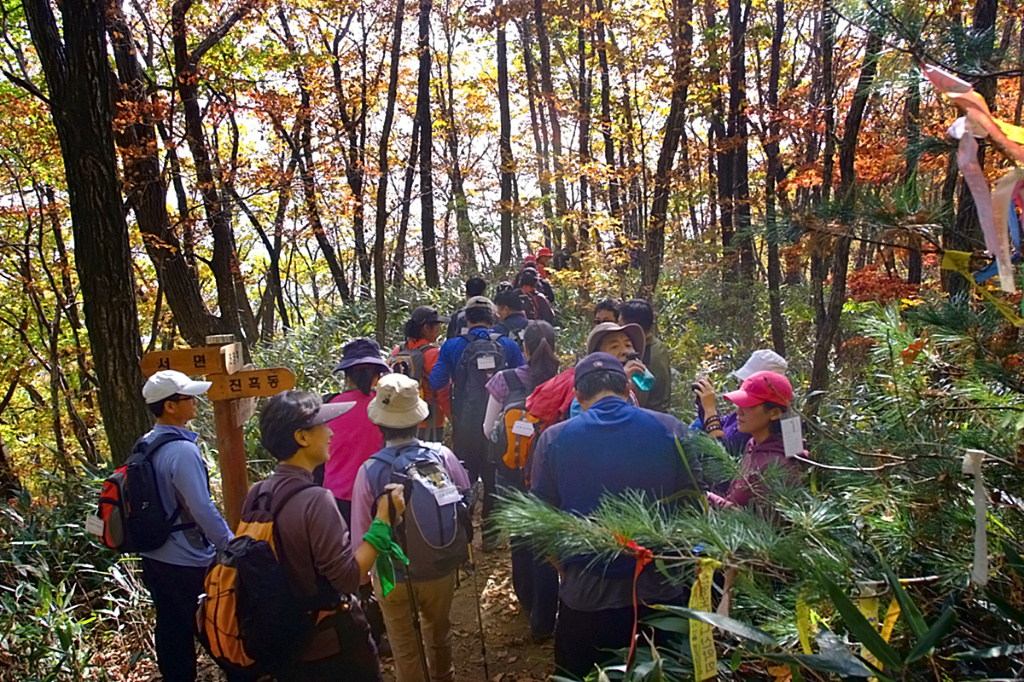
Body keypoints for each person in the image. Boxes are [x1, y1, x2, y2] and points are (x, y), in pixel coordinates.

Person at [530, 353, 705, 678]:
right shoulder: (672, 429)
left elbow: (540, 524)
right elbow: (696, 508)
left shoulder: (553, 439)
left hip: (586, 595)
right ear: (627, 387)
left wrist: (565, 569)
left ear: (578, 396)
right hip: (659, 591)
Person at [251, 390, 407, 681]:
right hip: (329, 644)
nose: (330, 432)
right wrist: (383, 518)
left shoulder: (257, 493)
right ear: (302, 438)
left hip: (283, 638)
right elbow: (348, 577)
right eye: (322, 425)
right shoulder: (316, 500)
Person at [351, 374, 472, 682]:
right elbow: (465, 492)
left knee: (404, 645)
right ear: (418, 419)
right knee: (439, 632)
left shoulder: (369, 471)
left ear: (380, 424)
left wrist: (365, 579)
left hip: (392, 574)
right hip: (438, 564)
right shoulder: (441, 456)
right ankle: (444, 676)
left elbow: (362, 531)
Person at [139, 370, 234, 682]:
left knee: (170, 625)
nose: (195, 401)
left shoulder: (146, 444)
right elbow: (201, 507)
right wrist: (229, 545)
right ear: (169, 406)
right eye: (187, 397)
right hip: (187, 558)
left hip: (154, 554)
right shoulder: (182, 450)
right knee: (213, 625)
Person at [481, 321, 561, 640]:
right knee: (546, 541)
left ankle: (527, 604)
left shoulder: (505, 379)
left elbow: (488, 429)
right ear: (554, 347)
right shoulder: (563, 381)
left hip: (511, 471)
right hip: (550, 474)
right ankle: (545, 617)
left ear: (524, 349)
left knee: (521, 539)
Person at [429, 295, 524, 550]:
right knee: (493, 477)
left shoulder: (452, 346)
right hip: (499, 424)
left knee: (464, 476)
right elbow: (524, 379)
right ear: (493, 319)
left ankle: (463, 536)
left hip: (465, 423)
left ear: (466, 319)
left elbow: (437, 381)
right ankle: (491, 537)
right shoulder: (508, 345)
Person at [705, 371, 802, 508]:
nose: (739, 411)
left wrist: (709, 498)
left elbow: (762, 526)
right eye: (739, 404)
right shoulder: (753, 444)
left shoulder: (778, 466)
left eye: (748, 405)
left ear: (774, 413)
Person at [322, 338, 391, 525]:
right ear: (377, 376)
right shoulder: (386, 407)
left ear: (346, 376)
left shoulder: (327, 407)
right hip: (376, 497)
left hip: (333, 498)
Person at [693, 349, 789, 457]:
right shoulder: (747, 420)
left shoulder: (756, 427)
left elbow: (722, 457)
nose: (739, 385)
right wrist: (704, 402)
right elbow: (720, 424)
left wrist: (710, 410)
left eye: (748, 382)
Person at [391, 306, 451, 441]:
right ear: (426, 328)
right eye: (437, 325)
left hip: (401, 418)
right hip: (429, 420)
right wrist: (452, 417)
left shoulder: (398, 351)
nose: (439, 329)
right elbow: (442, 391)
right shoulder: (433, 354)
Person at [618, 299, 672, 413]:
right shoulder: (658, 345)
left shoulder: (644, 357)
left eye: (621, 325)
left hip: (649, 418)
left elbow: (636, 402)